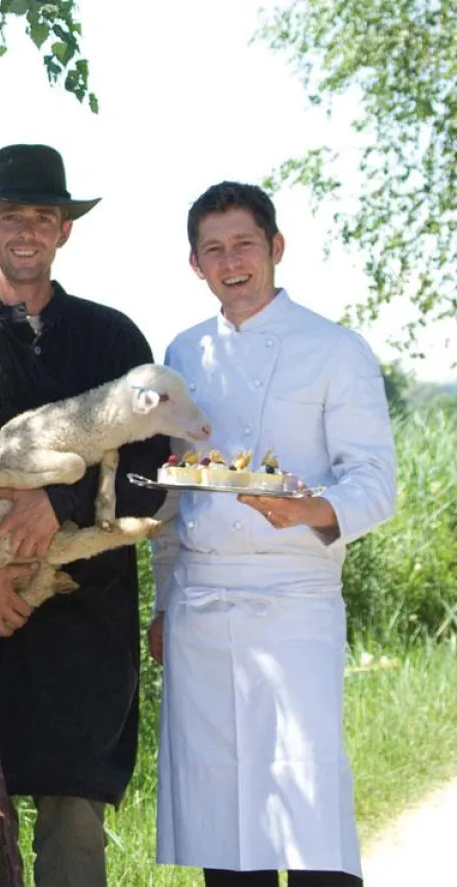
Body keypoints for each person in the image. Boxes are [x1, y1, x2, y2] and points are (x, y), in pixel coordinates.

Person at [0, 143, 170, 887]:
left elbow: (151, 472)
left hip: (82, 622)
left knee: (74, 825)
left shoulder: (113, 339)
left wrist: (54, 503)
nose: (25, 229)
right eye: (10, 215)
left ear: (65, 231)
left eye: (42, 216)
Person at [149, 181, 397, 887]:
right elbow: (175, 492)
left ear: (276, 248)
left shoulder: (336, 349)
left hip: (295, 601)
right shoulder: (184, 351)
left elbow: (376, 483)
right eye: (213, 248)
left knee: (308, 803)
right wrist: (164, 603)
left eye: (244, 244)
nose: (231, 261)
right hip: (200, 603)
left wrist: (309, 509)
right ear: (195, 263)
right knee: (221, 818)